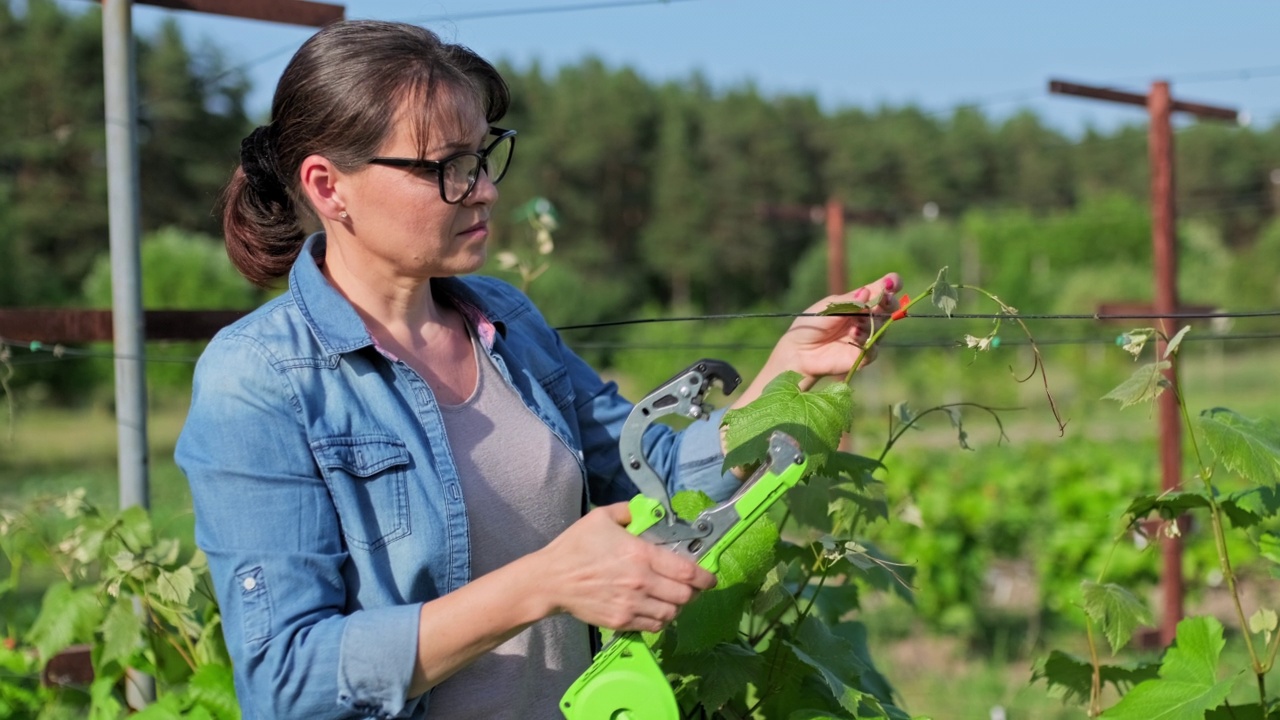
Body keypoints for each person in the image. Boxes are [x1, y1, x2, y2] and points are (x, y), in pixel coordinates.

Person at [175, 19, 899, 720]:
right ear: (329, 187)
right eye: (446, 169)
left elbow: (661, 474)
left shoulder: (506, 323)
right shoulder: (262, 380)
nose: (483, 187)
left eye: (483, 157)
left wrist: (783, 371)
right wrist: (543, 584)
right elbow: (287, 681)